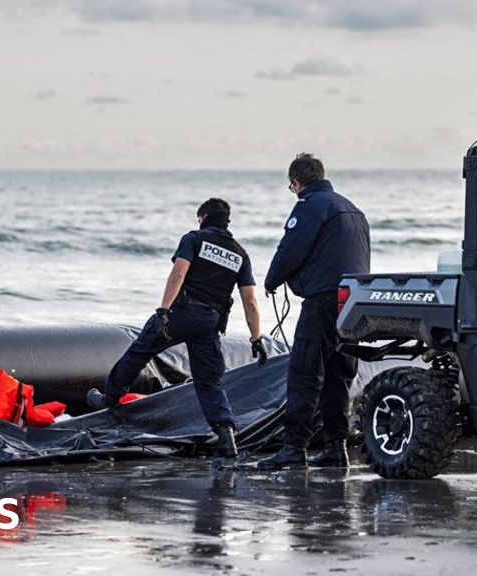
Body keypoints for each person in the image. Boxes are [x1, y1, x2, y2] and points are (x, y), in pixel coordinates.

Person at [86, 198, 267, 461]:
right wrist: (256, 338)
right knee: (209, 381)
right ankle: (227, 436)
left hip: (180, 313)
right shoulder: (240, 254)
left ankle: (111, 398)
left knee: (140, 349)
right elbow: (250, 301)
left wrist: (163, 310)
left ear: (203, 217)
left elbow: (179, 273)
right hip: (209, 323)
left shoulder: (194, 238)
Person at [257, 153, 371, 470]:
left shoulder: (310, 206)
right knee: (339, 374)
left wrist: (273, 279)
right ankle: (337, 448)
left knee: (305, 372)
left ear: (297, 183)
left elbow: (292, 247)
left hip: (322, 298)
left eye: (291, 186)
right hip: (353, 301)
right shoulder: (353, 209)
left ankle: (295, 448)